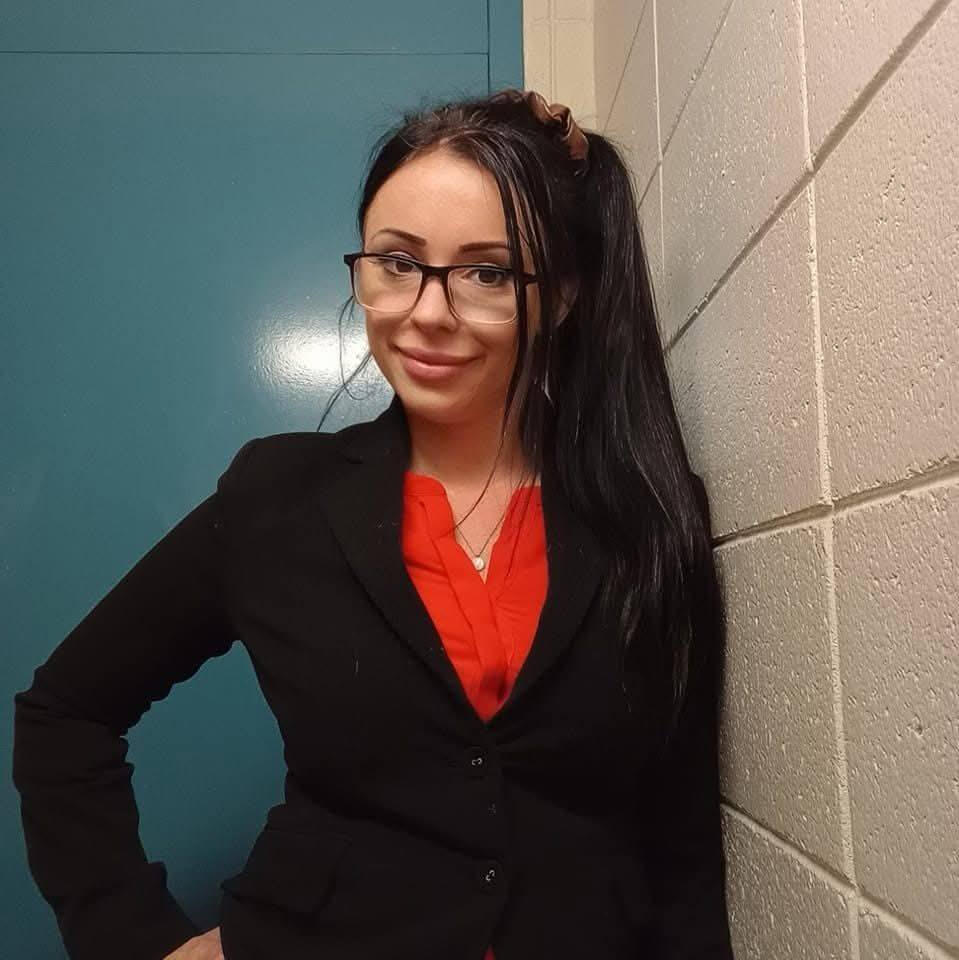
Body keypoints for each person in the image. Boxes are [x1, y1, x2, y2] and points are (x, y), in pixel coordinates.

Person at [12, 87, 735, 960]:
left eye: (487, 273)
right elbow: (63, 715)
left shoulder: (648, 513)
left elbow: (682, 839)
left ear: (563, 296)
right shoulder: (275, 497)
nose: (427, 311)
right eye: (397, 261)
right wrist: (133, 939)